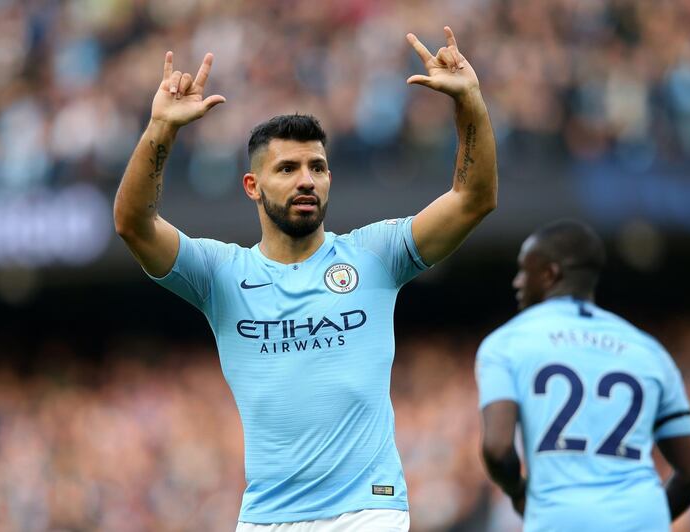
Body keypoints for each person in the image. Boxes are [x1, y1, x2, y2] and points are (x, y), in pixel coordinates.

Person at [114, 26, 497, 530]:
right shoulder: (220, 274)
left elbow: (474, 199)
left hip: (368, 510)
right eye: (288, 168)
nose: (306, 180)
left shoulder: (375, 254)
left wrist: (469, 99)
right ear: (252, 186)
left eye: (317, 167)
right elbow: (133, 223)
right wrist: (160, 128)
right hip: (266, 517)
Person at [475, 220, 690, 531]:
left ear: (550, 274)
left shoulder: (505, 343)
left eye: (523, 271)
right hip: (641, 516)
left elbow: (498, 449)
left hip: (561, 517)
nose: (517, 282)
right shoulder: (650, 350)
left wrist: (517, 492)